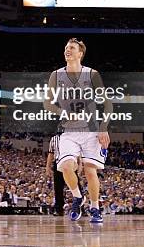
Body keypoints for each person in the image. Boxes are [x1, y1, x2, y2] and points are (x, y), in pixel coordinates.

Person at [43, 38, 112, 223]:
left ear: (80, 53)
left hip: (91, 130)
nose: (67, 50)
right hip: (69, 131)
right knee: (66, 167)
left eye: (71, 48)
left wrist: (104, 127)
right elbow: (47, 103)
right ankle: (78, 197)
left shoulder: (92, 74)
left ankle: (95, 208)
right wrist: (62, 111)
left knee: (90, 172)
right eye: (66, 47)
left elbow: (107, 104)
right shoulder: (56, 75)